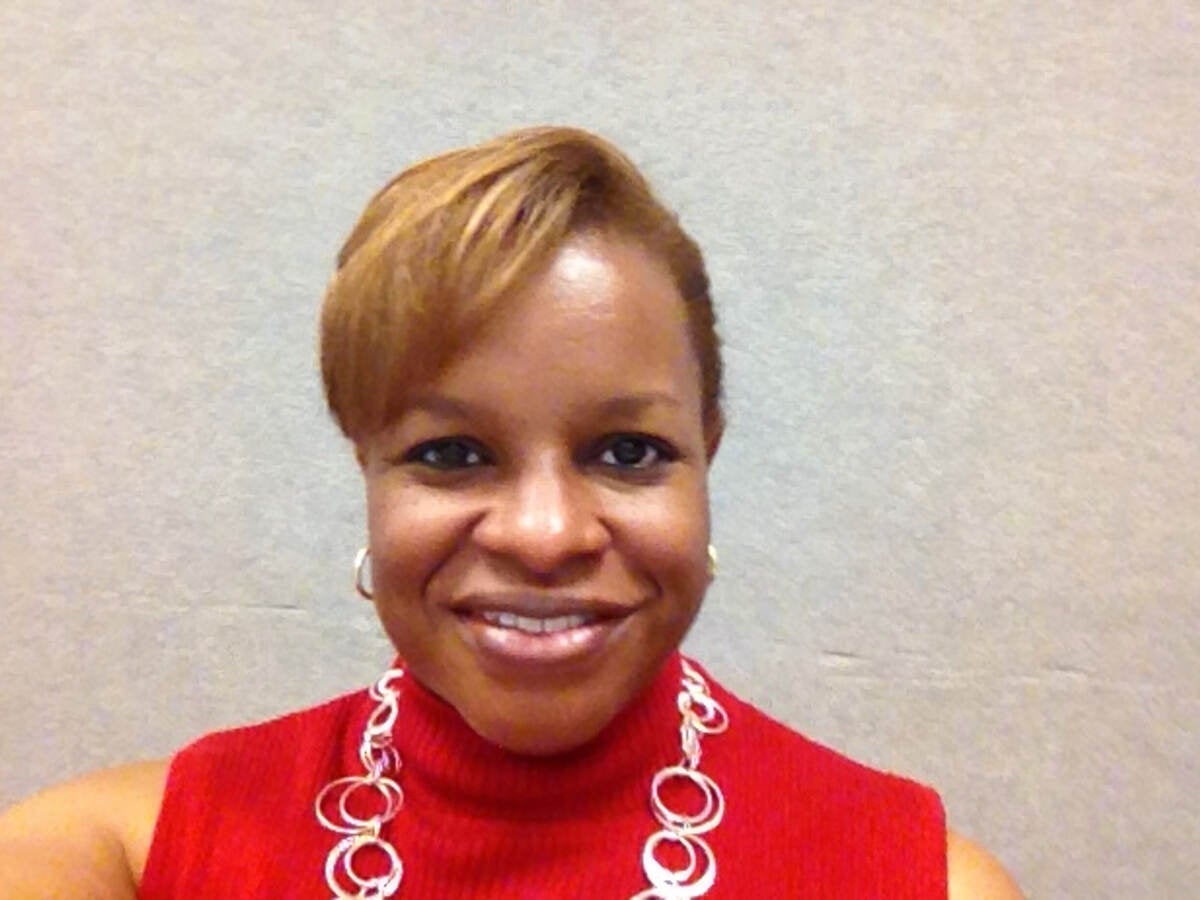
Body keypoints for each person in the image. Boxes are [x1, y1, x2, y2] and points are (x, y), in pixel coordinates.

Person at [0, 126, 1022, 898]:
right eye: (451, 454)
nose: (544, 535)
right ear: (367, 460)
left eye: (628, 453)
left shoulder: (918, 878)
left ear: (708, 452)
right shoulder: (126, 855)